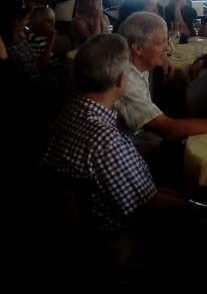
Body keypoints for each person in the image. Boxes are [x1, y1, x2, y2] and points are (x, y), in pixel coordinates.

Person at [41, 34, 182, 270]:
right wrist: (204, 207)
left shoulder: (63, 118)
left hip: (67, 243)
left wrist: (188, 194)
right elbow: (152, 208)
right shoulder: (106, 140)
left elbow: (140, 192)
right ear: (120, 80)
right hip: (117, 250)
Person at [115, 12, 207, 161]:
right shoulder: (124, 81)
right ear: (137, 49)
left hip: (149, 146)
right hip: (138, 158)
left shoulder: (137, 66)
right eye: (161, 43)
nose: (167, 49)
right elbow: (169, 129)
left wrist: (162, 59)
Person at [26, 6, 64, 81]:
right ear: (37, 22)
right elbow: (42, 66)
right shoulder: (32, 38)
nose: (53, 24)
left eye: (54, 20)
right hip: (49, 79)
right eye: (49, 21)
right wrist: (51, 40)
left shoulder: (45, 35)